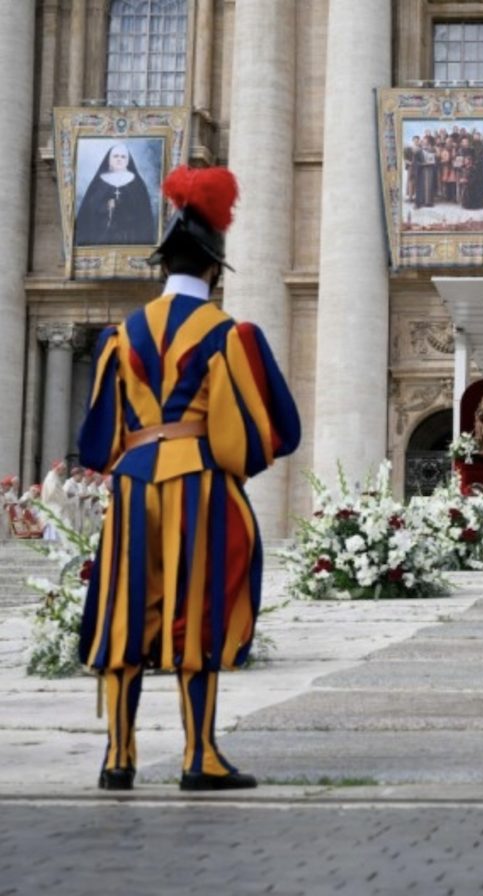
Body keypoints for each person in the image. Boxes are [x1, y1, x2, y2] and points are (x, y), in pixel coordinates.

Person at [77, 164, 301, 793]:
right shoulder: (228, 335)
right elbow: (268, 432)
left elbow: (96, 440)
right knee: (195, 613)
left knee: (126, 612)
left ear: (161, 266)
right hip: (196, 482)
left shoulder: (120, 337)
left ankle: (118, 757)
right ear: (212, 271)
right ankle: (198, 755)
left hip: (130, 483)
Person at [74, 143, 157, 246]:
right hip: (102, 236)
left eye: (123, 157)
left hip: (130, 236)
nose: (119, 159)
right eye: (115, 156)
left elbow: (143, 213)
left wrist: (120, 205)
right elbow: (89, 210)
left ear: (128, 160)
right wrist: (105, 206)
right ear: (109, 159)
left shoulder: (136, 183)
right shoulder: (99, 182)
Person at [40, 460, 70, 541]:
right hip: (53, 508)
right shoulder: (51, 478)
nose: (64, 472)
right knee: (53, 530)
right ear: (58, 469)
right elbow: (52, 492)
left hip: (57, 508)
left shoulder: (55, 477)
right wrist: (63, 498)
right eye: (64, 470)